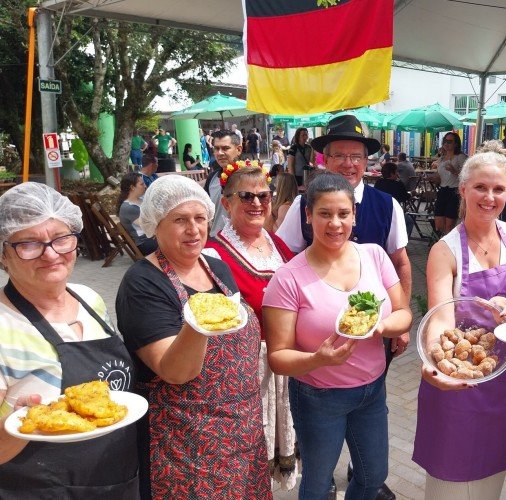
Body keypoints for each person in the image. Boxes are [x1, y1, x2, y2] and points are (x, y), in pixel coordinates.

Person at [276, 115, 411, 499]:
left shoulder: (386, 207)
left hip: (371, 362)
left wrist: (396, 326)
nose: (349, 163)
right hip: (317, 365)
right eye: (340, 155)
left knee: (371, 470)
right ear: (325, 159)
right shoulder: (304, 204)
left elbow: (400, 264)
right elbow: (283, 259)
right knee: (319, 477)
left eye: (357, 156)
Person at [116, 175, 271, 499]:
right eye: (180, 220)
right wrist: (200, 322)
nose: (194, 229)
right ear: (156, 224)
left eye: (200, 218)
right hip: (187, 446)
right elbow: (175, 371)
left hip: (243, 433)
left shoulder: (216, 266)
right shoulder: (143, 284)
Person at [413, 141, 506, 499]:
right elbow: (441, 317)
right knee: (451, 483)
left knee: (492, 477)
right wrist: (436, 363)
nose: (489, 197)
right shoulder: (445, 251)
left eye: (499, 189)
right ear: (463, 189)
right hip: (459, 381)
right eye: (481, 188)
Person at [0, 183, 139, 497]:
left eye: (61, 239)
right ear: (3, 254)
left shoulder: (89, 299)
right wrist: (22, 425)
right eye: (29, 244)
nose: (51, 253)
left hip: (119, 482)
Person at [202, 164, 298, 491]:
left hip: (283, 365)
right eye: (246, 196)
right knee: (245, 457)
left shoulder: (279, 246)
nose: (257, 203)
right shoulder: (211, 255)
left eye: (264, 195)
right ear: (226, 203)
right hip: (242, 373)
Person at [205, 129, 243, 237]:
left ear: (239, 149)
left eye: (225, 148)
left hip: (244, 243)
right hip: (216, 241)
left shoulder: (250, 177)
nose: (220, 153)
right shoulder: (212, 178)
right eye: (216, 148)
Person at [432, 132, 467, 235]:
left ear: (456, 144)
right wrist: (434, 178)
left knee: (449, 226)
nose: (446, 144)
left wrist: (454, 171)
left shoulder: (460, 157)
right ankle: (442, 243)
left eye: (450, 141)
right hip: (443, 191)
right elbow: (440, 177)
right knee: (438, 225)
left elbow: (468, 176)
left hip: (454, 191)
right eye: (445, 141)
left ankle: (448, 247)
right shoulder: (442, 158)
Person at [118, 172, 158, 255]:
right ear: (132, 187)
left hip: (151, 238)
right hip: (145, 243)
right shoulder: (129, 207)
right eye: (142, 184)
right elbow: (148, 226)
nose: (145, 186)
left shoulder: (140, 200)